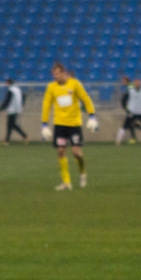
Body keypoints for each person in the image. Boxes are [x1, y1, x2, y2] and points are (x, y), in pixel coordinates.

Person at [41, 63, 98, 191]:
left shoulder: (75, 84)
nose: (55, 76)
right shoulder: (51, 87)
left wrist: (92, 116)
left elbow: (86, 99)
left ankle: (82, 173)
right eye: (53, 74)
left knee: (76, 152)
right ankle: (66, 182)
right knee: (61, 151)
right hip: (60, 125)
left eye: (57, 74)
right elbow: (46, 105)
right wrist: (44, 124)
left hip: (74, 124)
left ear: (63, 73)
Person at [0, 78, 28, 145]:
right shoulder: (18, 89)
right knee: (12, 125)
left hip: (12, 109)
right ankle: (24, 136)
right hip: (17, 109)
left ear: (9, 83)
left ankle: (7, 140)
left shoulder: (11, 90)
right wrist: (21, 105)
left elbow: (7, 101)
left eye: (6, 83)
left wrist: (1, 108)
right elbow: (24, 96)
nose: (6, 84)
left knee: (10, 125)